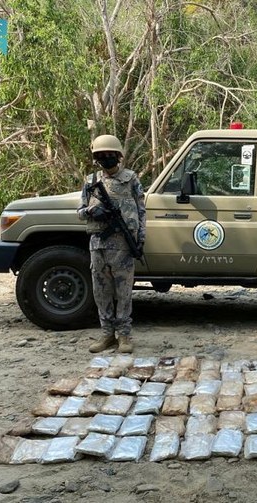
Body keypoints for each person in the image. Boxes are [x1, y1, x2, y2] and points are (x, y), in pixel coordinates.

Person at [77, 134, 146, 354]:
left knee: (124, 291)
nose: (106, 159)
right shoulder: (90, 182)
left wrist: (140, 238)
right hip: (98, 245)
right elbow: (80, 212)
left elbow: (141, 211)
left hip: (123, 245)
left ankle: (124, 335)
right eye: (101, 156)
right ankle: (107, 334)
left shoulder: (131, 179)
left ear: (118, 156)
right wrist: (91, 211)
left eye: (110, 155)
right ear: (96, 158)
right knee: (101, 290)